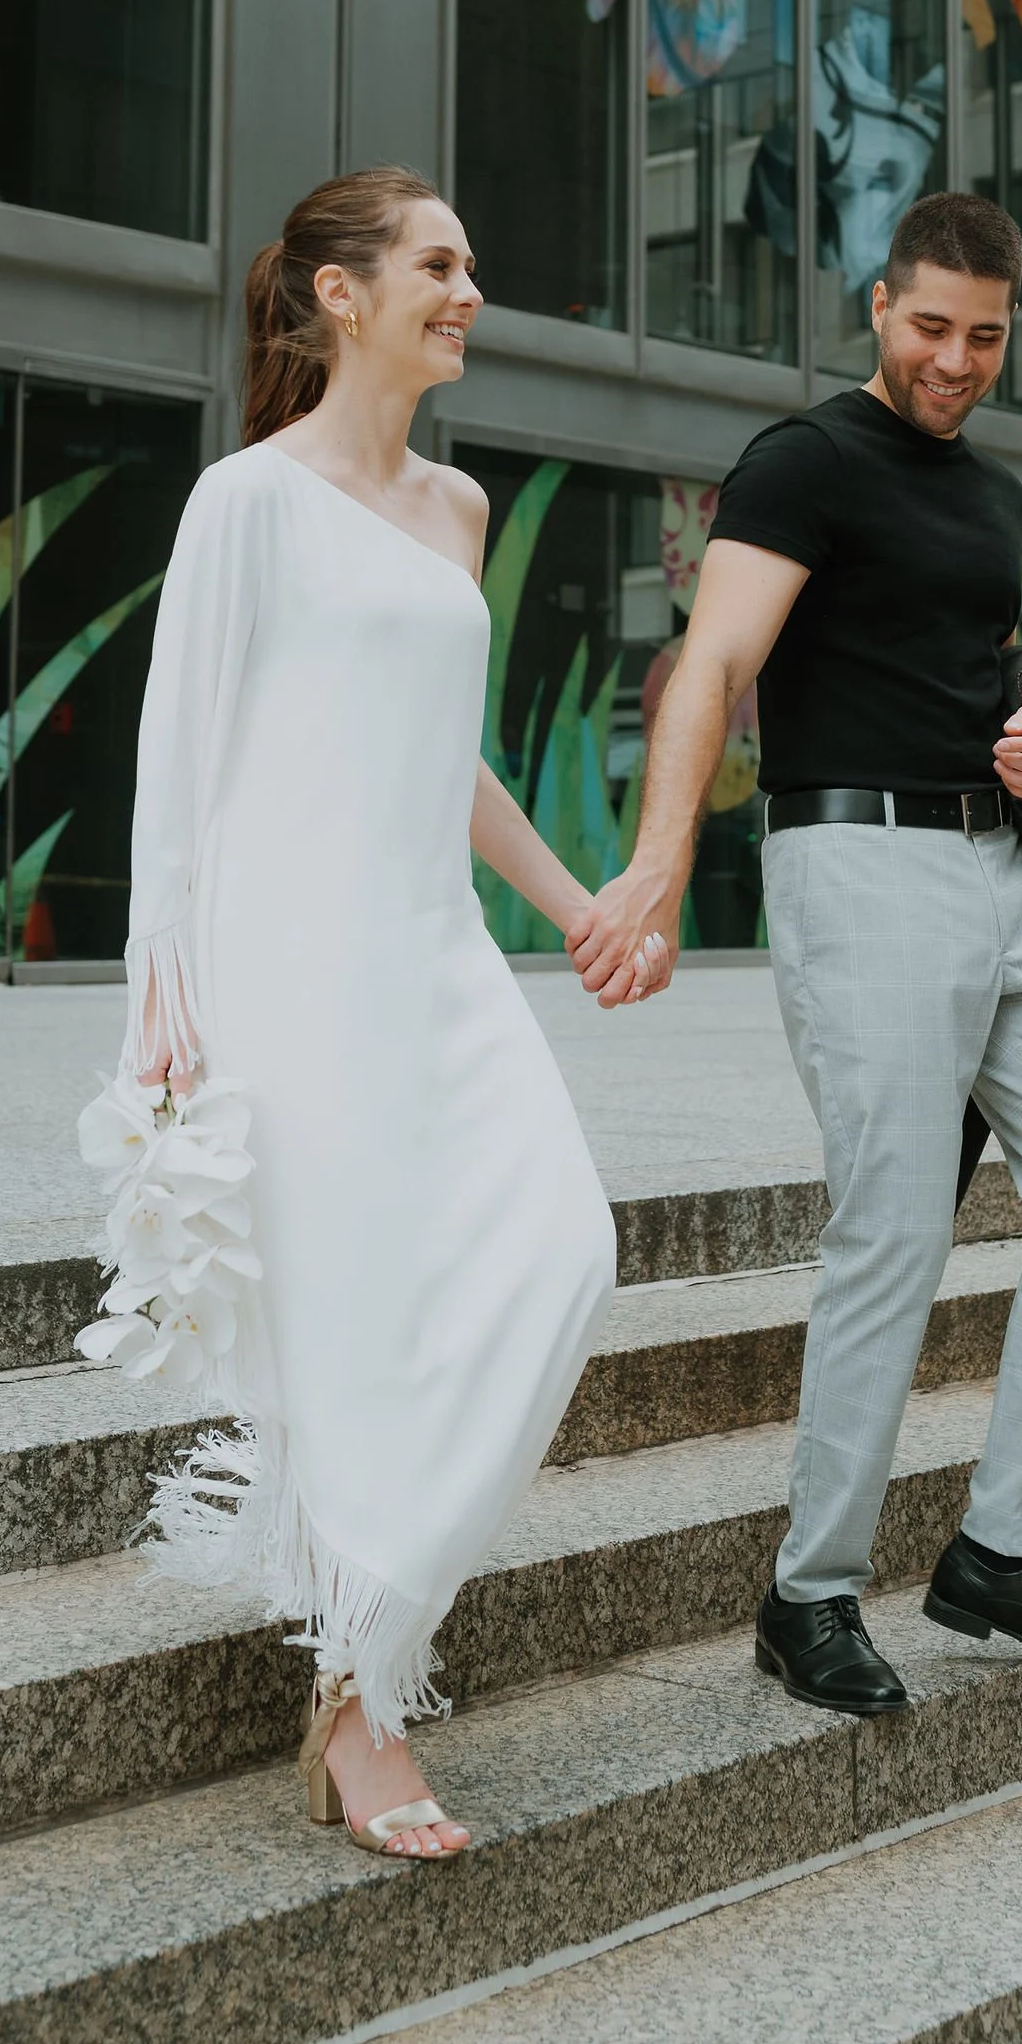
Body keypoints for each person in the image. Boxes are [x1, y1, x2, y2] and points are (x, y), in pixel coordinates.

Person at [77, 168, 657, 1859]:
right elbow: (175, 757)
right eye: (438, 263)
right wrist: (162, 1004)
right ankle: (358, 1703)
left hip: (431, 955)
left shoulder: (458, 511)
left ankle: (367, 1644)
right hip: (288, 963)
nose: (469, 289)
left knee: (562, 1253)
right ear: (342, 296)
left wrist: (571, 907)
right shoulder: (242, 504)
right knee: (346, 1324)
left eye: (469, 263)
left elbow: (446, 752)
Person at [569, 188, 1022, 1716]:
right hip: (857, 863)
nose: (956, 360)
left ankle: (1008, 1555)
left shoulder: (992, 496)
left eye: (984, 336)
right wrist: (658, 866)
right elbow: (713, 664)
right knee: (896, 1227)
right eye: (930, 327)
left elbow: (960, 675)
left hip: (1004, 857)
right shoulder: (802, 463)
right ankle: (812, 1590)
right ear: (879, 306)